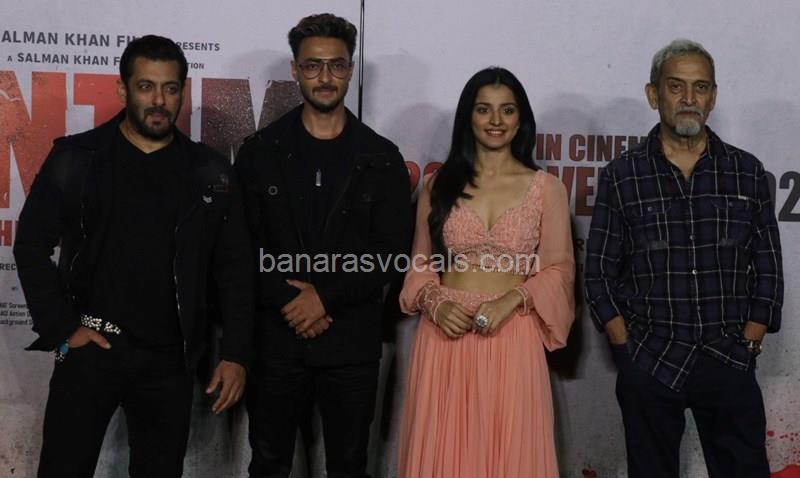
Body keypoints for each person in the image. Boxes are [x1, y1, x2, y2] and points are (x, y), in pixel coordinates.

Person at [13, 35, 254, 478]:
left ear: (182, 92)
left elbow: (234, 268)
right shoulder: (76, 159)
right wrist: (63, 327)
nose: (158, 100)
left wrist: (235, 353)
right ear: (123, 90)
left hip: (170, 361)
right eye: (146, 86)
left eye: (170, 88)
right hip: (90, 349)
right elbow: (29, 245)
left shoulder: (210, 171)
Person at [585, 39, 783, 478]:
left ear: (713, 97)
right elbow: (597, 272)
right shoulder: (622, 176)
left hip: (729, 357)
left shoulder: (747, 172)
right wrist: (625, 347)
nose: (689, 98)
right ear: (653, 94)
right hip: (651, 358)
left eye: (700, 87)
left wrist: (750, 341)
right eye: (676, 86)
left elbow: (768, 266)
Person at [234, 13, 412, 478]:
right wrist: (291, 299)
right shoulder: (260, 153)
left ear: (350, 70)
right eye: (313, 65)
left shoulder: (381, 157)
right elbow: (239, 249)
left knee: (348, 466)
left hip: (351, 345)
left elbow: (392, 253)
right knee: (269, 464)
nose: (325, 77)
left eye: (336, 65)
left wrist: (325, 297)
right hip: (276, 339)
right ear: (295, 70)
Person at [397, 67, 575, 478]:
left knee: (509, 455)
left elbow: (559, 271)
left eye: (507, 110)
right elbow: (419, 266)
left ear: (521, 118)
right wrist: (435, 303)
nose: (496, 120)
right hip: (445, 333)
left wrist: (511, 300)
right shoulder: (438, 185)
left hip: (512, 332)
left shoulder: (546, 188)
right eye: (484, 109)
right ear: (468, 117)